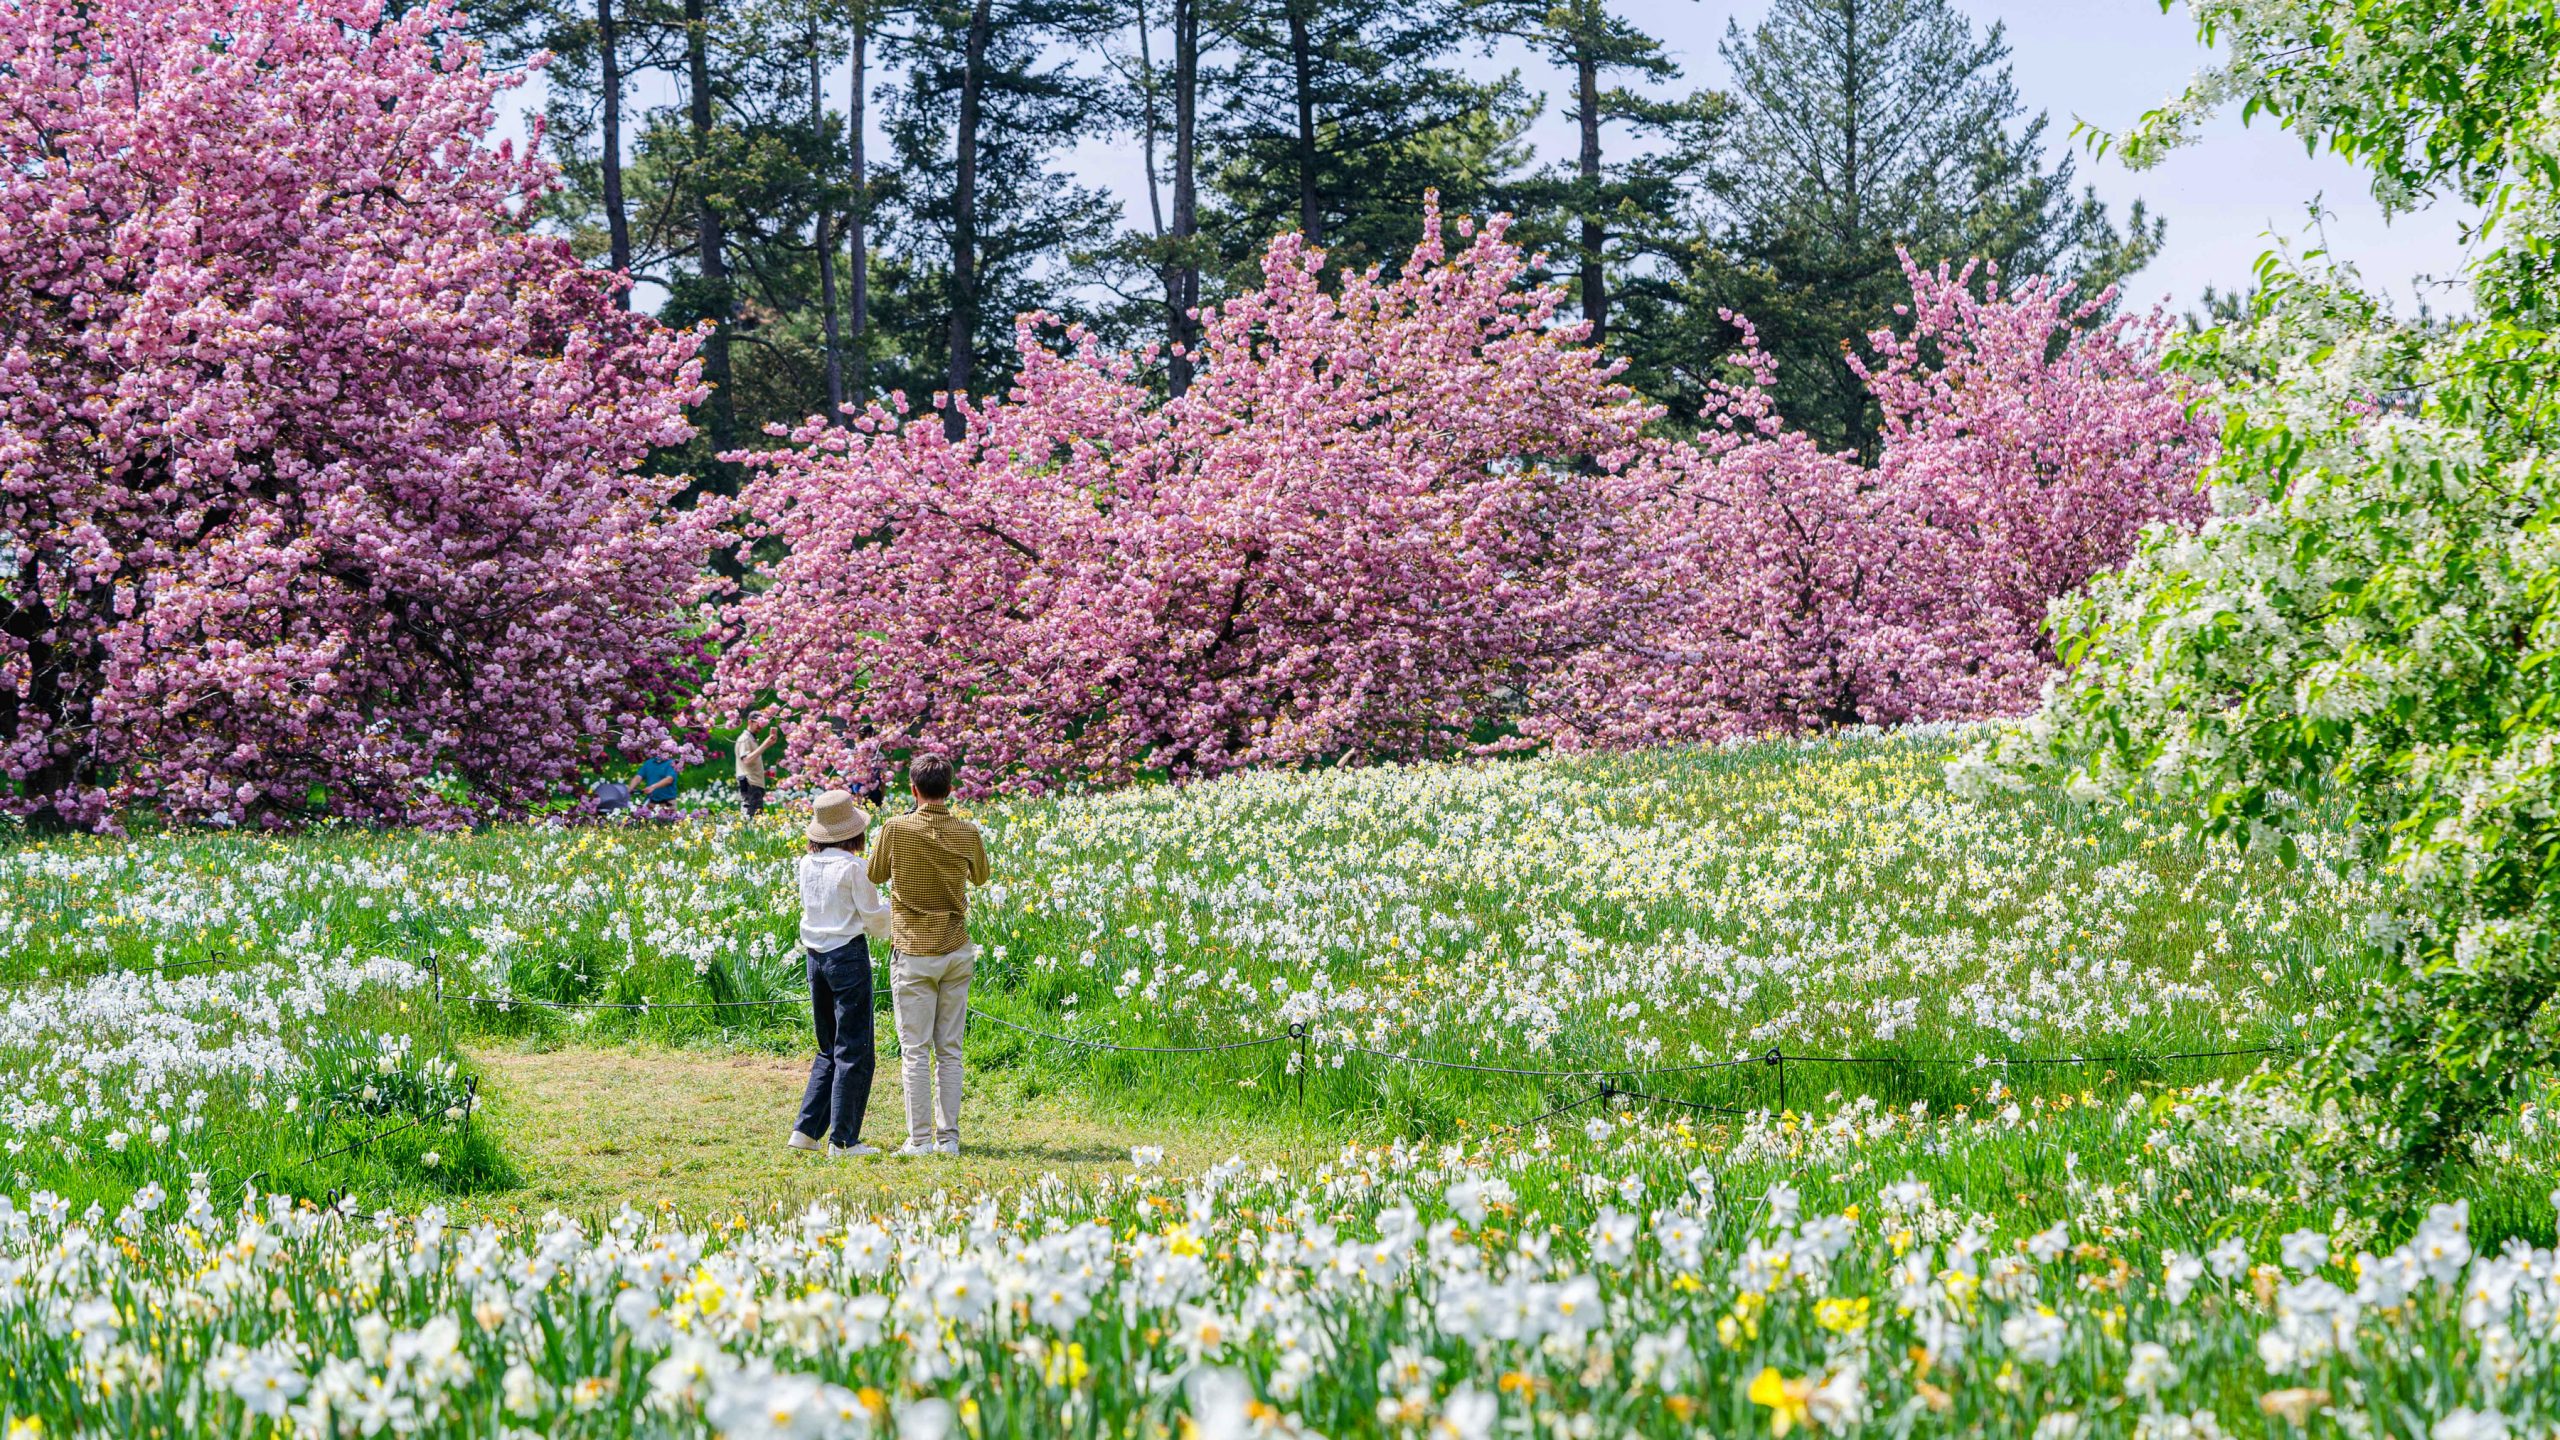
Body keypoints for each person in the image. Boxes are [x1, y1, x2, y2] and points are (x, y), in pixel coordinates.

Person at [868, 753, 989, 1156]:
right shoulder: (967, 831)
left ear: (913, 789)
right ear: (950, 789)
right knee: (950, 1050)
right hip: (955, 946)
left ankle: (920, 1140)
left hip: (913, 950)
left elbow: (875, 874)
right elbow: (982, 877)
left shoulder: (895, 828)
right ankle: (949, 1139)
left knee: (915, 1051)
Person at [791, 790, 891, 1158]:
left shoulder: (806, 864)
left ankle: (806, 1130)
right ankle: (844, 1140)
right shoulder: (853, 868)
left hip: (815, 959)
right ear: (854, 833)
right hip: (847, 957)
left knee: (828, 1048)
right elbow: (874, 917)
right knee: (855, 1049)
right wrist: (898, 914)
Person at [735, 729, 772, 816]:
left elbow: (749, 764)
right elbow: (746, 759)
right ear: (750, 721)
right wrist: (766, 744)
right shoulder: (744, 739)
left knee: (756, 815)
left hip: (755, 783)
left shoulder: (751, 739)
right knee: (752, 815)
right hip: (750, 783)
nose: (760, 725)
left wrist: (763, 773)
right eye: (757, 722)